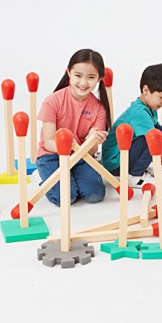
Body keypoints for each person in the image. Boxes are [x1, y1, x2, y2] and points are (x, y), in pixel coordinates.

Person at [36, 48, 111, 206]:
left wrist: (92, 140)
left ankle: (70, 177)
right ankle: (47, 178)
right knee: (66, 198)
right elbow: (48, 142)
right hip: (51, 155)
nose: (83, 83)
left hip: (81, 156)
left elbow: (91, 150)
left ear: (99, 78)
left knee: (95, 195)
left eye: (91, 77)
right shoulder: (52, 101)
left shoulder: (99, 109)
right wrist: (68, 149)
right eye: (78, 75)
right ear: (69, 73)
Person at [101, 63, 162, 187]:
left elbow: (161, 140)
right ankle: (134, 174)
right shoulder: (139, 113)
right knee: (150, 139)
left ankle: (136, 167)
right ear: (145, 90)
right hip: (116, 165)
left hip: (122, 158)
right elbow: (156, 145)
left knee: (158, 132)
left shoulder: (150, 108)